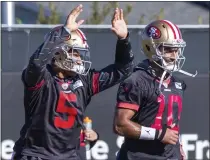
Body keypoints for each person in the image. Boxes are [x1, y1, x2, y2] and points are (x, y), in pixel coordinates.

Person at [11, 4, 134, 160]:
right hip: (35, 154)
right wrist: (64, 32)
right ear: (58, 52)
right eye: (75, 53)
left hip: (69, 156)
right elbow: (36, 63)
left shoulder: (85, 80)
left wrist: (124, 40)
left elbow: (123, 70)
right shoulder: (41, 78)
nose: (79, 59)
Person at [113, 19, 197, 160]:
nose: (174, 55)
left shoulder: (177, 83)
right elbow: (121, 125)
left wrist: (179, 148)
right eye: (169, 49)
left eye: (176, 49)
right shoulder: (136, 81)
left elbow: (172, 125)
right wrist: (159, 134)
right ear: (151, 48)